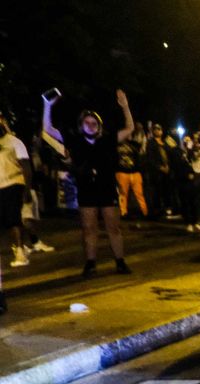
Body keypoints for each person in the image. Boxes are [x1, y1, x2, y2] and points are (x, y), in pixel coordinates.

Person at [43, 89, 134, 277]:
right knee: (88, 228)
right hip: (86, 189)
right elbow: (48, 130)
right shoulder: (75, 141)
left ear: (99, 126)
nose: (90, 126)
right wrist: (47, 106)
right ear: (81, 125)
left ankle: (120, 262)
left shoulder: (108, 140)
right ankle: (91, 263)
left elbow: (129, 128)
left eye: (94, 123)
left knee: (113, 227)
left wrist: (125, 107)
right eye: (87, 122)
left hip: (107, 188)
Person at [1, 114, 35, 310]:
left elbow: (26, 167)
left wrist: (27, 190)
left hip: (14, 185)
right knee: (8, 221)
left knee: (14, 219)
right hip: (0, 187)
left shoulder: (14, 142)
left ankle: (21, 251)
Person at [116, 127, 148, 223]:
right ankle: (123, 212)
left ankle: (144, 212)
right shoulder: (116, 145)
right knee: (123, 194)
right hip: (121, 172)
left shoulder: (135, 145)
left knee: (139, 194)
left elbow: (141, 155)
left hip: (135, 172)